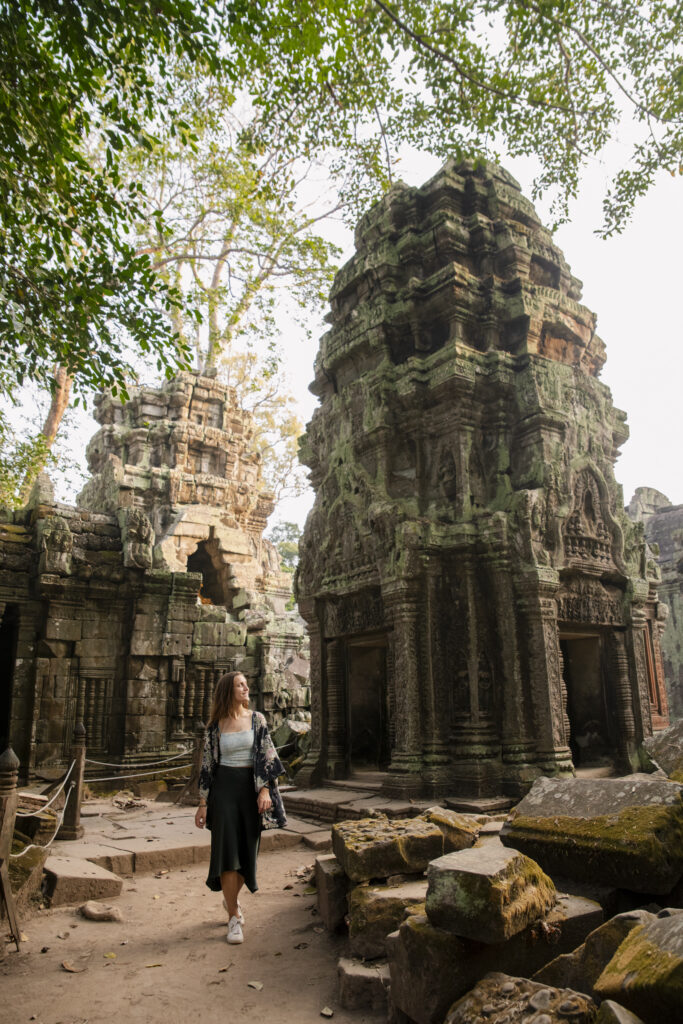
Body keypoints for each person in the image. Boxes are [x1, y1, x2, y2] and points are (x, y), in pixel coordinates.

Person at [194, 671, 287, 944]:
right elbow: (207, 767)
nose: (246, 688)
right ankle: (233, 915)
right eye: (240, 685)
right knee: (227, 852)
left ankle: (230, 899)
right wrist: (202, 804)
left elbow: (269, 757)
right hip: (223, 793)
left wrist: (266, 789)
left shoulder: (257, 720)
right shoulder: (215, 726)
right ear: (228, 691)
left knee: (248, 853)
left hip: (250, 791)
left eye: (246, 684)